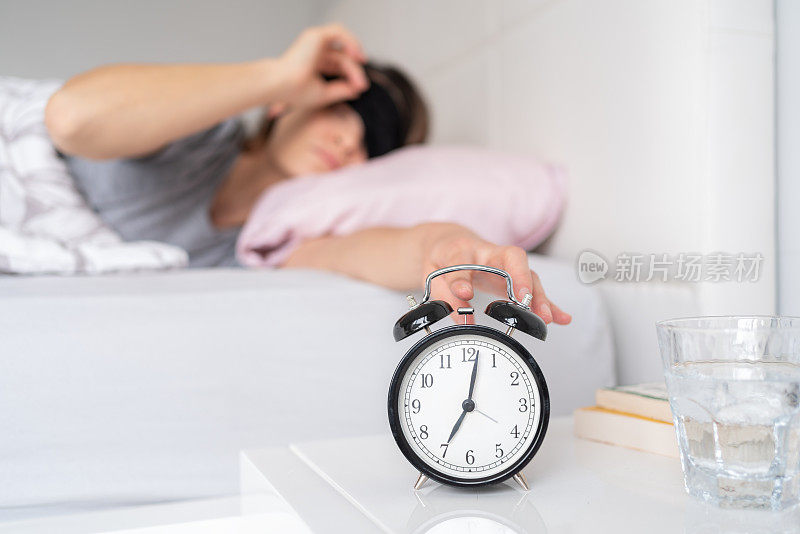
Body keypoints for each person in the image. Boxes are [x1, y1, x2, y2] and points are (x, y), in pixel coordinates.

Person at [45, 24, 571, 325]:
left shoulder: (277, 238)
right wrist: (276, 77)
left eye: (370, 145)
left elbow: (379, 249)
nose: (347, 144)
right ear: (287, 104)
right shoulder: (201, 131)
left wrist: (452, 250)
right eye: (344, 114)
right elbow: (71, 117)